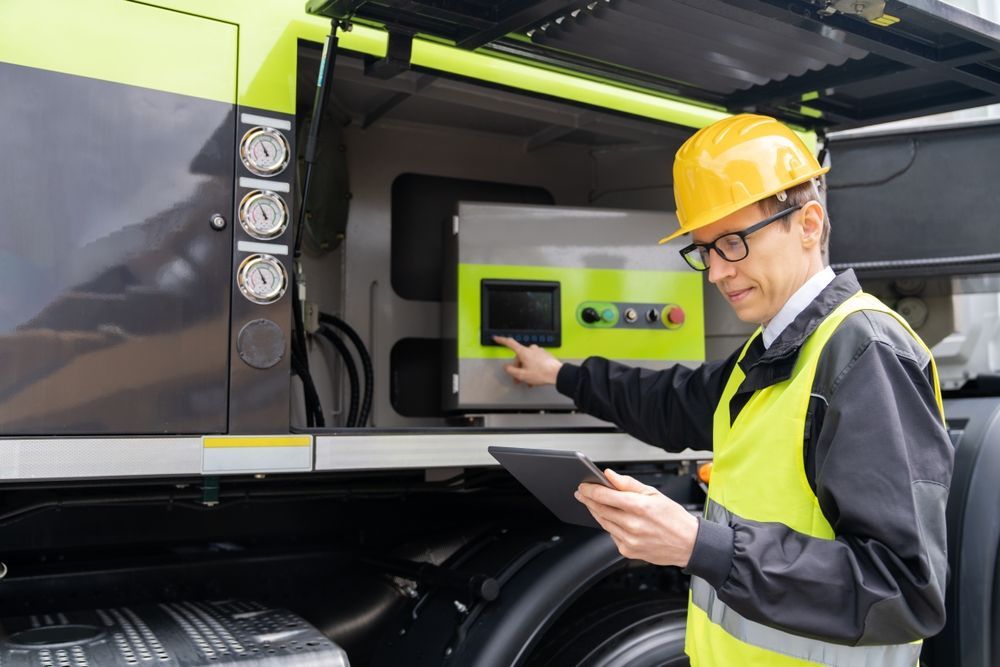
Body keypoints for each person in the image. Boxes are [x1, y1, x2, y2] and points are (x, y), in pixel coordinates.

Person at [494, 114, 953, 666]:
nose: (715, 272)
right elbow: (672, 403)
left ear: (808, 224)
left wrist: (698, 544)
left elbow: (902, 591)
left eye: (733, 243)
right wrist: (560, 375)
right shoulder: (776, 350)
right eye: (705, 250)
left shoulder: (864, 352)